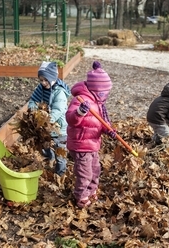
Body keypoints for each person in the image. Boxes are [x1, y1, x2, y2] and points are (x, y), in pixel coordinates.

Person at [65, 61, 116, 208]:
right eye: (104, 92)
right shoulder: (82, 100)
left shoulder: (99, 103)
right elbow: (70, 119)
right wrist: (80, 112)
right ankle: (81, 196)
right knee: (85, 173)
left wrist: (108, 130)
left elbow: (101, 122)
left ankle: (91, 191)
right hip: (81, 145)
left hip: (93, 144)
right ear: (96, 90)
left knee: (95, 169)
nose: (106, 95)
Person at [28, 61, 71, 176]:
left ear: (53, 78)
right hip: (46, 126)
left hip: (59, 128)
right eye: (41, 80)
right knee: (45, 144)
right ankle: (49, 156)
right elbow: (33, 100)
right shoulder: (41, 88)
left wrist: (46, 121)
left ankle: (60, 174)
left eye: (46, 80)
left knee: (60, 152)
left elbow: (58, 110)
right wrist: (32, 110)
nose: (43, 83)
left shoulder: (60, 92)